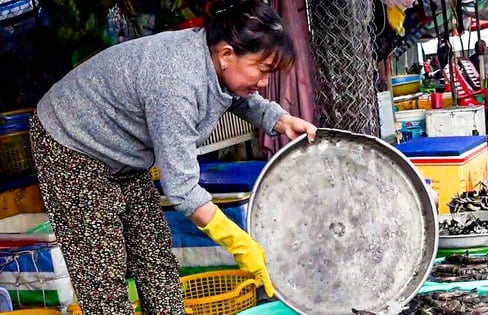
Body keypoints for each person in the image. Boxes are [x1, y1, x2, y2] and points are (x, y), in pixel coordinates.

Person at [29, 0, 317, 314]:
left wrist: (280, 119)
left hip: (122, 150)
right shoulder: (175, 83)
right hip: (70, 141)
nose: (264, 82)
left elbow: (236, 93)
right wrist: (239, 242)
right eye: (262, 71)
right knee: (102, 268)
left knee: (154, 253)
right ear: (226, 55)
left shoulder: (213, 61)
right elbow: (183, 190)